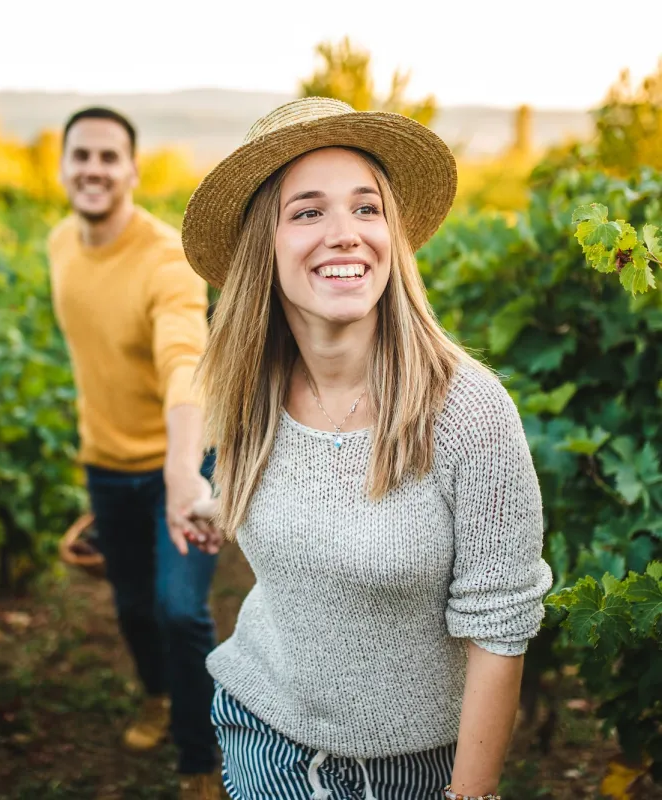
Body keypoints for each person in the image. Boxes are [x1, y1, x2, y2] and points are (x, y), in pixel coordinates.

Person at [180, 97, 553, 800]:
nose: (345, 234)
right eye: (309, 211)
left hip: (418, 770)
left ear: (393, 237)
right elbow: (281, 485)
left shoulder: (468, 413)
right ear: (267, 245)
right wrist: (217, 505)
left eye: (366, 208)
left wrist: (470, 795)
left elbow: (501, 629)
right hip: (264, 735)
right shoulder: (248, 386)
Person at [48, 106, 221, 800]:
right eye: (81, 156)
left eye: (108, 157)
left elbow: (186, 360)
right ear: (63, 167)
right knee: (130, 607)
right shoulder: (60, 243)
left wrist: (184, 471)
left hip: (177, 462)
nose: (93, 169)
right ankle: (156, 694)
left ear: (132, 170)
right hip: (105, 465)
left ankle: (200, 756)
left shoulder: (165, 260)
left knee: (180, 611)